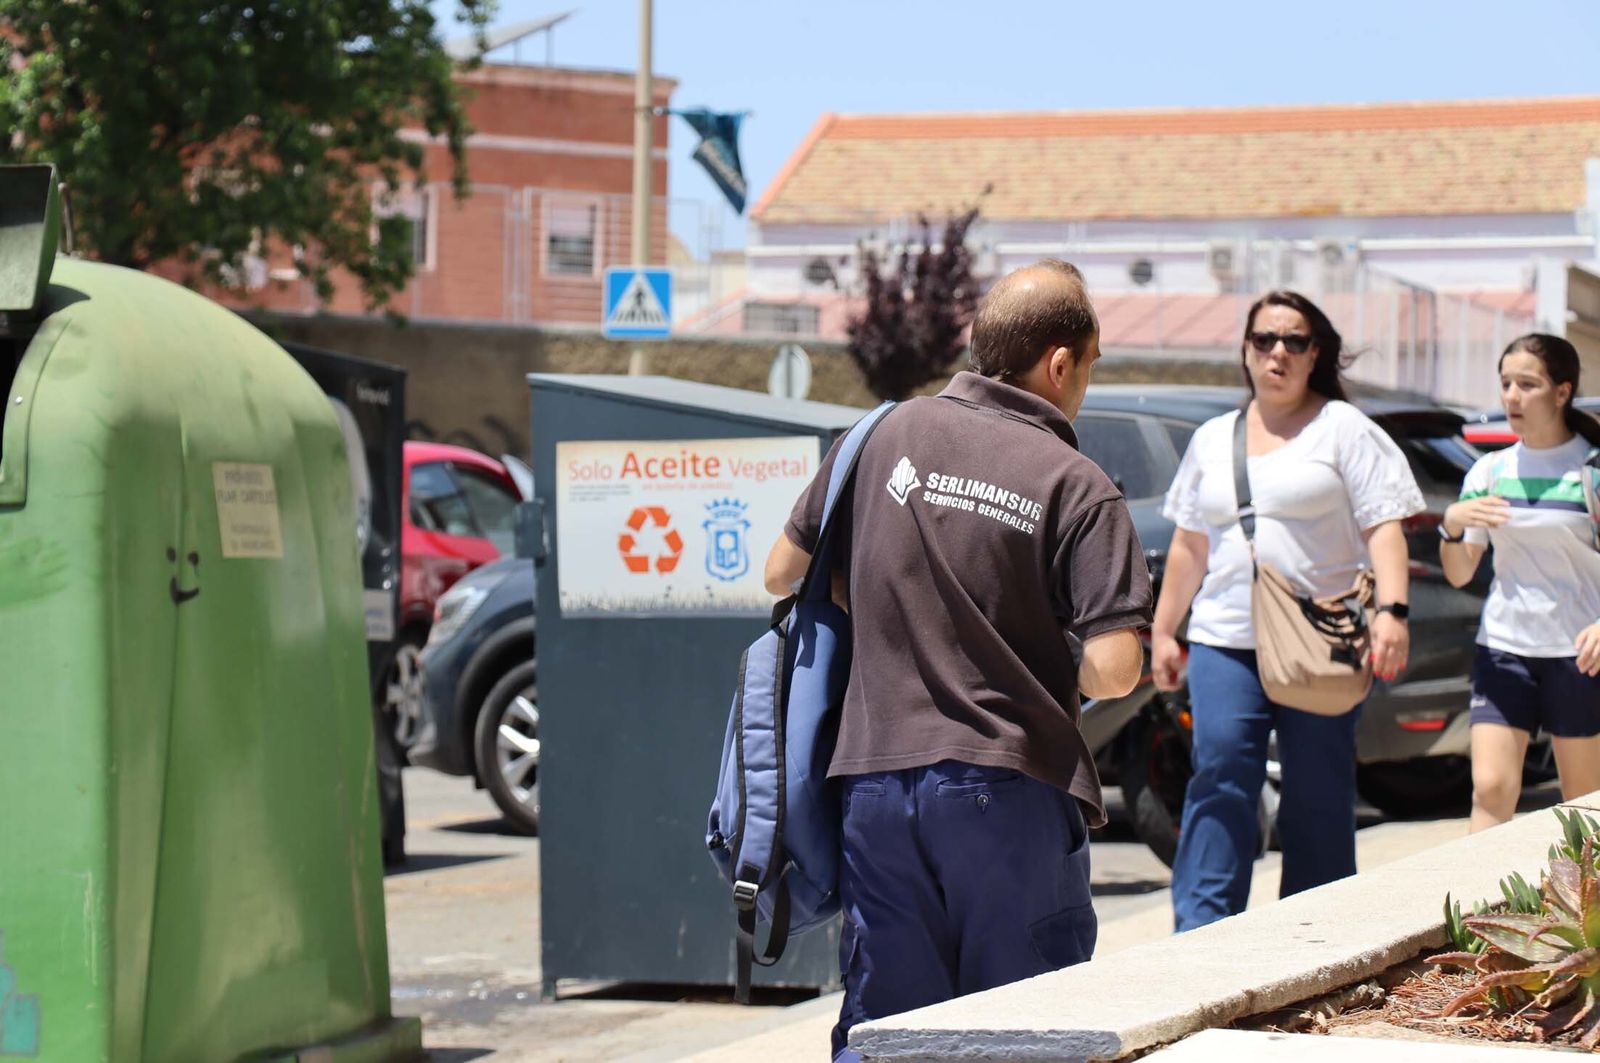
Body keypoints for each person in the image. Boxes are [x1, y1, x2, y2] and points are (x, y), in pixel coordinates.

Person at [764, 260, 1151, 1061]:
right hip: (1008, 793)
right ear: (1059, 362)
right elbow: (1116, 667)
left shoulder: (880, 437)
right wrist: (1028, 648)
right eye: (1090, 364)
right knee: (1023, 1031)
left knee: (891, 1035)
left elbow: (778, 573)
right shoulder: (1076, 484)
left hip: (873, 786)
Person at [1150, 290, 1423, 932]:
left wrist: (1392, 611)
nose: (1278, 352)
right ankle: (1203, 934)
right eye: (1265, 340)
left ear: (1314, 353)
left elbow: (1385, 526)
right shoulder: (1213, 439)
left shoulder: (1343, 429)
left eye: (1294, 341)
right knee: (1219, 774)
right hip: (1225, 641)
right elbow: (1190, 544)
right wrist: (1164, 630)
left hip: (1319, 637)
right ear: (1245, 351)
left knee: (1318, 790)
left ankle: (1315, 936)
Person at [1439, 334, 1600, 832]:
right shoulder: (1489, 471)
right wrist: (1452, 524)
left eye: (1527, 384)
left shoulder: (1590, 471)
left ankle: (1583, 909)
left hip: (1578, 651)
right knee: (1490, 789)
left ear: (1561, 392)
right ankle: (1473, 911)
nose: (1511, 396)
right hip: (1504, 647)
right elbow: (1461, 571)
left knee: (1583, 803)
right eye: (1506, 383)